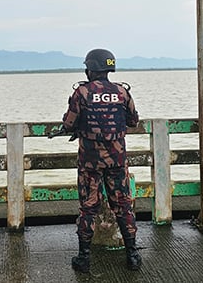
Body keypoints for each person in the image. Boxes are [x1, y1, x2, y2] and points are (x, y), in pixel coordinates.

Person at [59, 48, 142, 273]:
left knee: (88, 209)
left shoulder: (82, 93)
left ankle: (84, 259)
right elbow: (133, 120)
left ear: (90, 69)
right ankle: (133, 256)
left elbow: (69, 123)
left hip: (90, 162)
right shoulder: (122, 92)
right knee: (124, 207)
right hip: (117, 160)